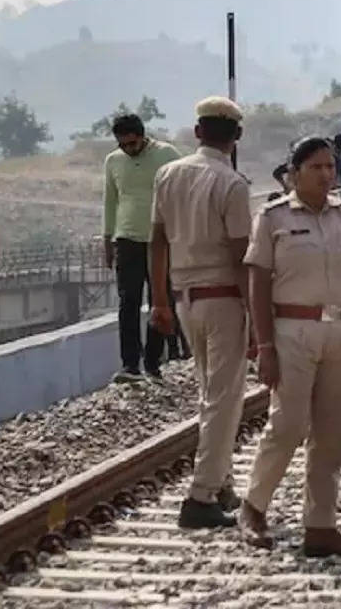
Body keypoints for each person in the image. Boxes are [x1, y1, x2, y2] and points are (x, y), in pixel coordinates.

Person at [238, 136, 341, 556]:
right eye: (317, 167)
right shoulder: (272, 218)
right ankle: (253, 507)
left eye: (331, 167)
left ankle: (321, 525)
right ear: (295, 172)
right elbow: (257, 282)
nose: (328, 174)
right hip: (293, 331)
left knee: (334, 432)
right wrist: (264, 345)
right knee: (287, 424)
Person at [148, 97, 252, 529]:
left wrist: (158, 301)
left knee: (209, 392)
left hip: (185, 299)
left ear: (197, 132)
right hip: (225, 299)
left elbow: (157, 241)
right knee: (224, 399)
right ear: (236, 137)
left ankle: (221, 481)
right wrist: (259, 314)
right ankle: (201, 496)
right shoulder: (231, 184)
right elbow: (241, 253)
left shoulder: (168, 174)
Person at [103, 113, 185, 382]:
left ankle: (152, 362)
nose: (129, 150)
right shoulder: (113, 161)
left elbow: (182, 192)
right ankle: (130, 365)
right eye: (123, 145)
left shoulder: (168, 155)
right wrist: (107, 238)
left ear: (143, 136)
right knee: (128, 302)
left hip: (160, 240)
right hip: (127, 238)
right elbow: (110, 201)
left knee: (160, 300)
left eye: (133, 144)